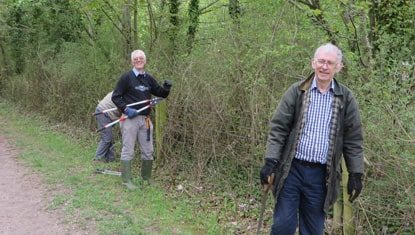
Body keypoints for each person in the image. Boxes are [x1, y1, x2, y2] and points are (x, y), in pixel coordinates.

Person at [260, 43, 364, 235]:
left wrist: (356, 173)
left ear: (338, 67)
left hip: (321, 176)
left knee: (313, 230)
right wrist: (271, 161)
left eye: (330, 63)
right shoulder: (297, 91)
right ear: (313, 63)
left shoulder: (345, 98)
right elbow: (278, 129)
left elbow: (353, 140)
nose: (324, 67)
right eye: (321, 61)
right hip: (291, 170)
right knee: (283, 225)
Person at [112, 49, 172, 190]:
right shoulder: (126, 77)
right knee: (128, 149)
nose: (138, 60)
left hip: (145, 120)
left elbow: (160, 93)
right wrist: (126, 109)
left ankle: (147, 177)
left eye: (141, 58)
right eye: (136, 59)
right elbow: (116, 96)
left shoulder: (148, 78)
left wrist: (167, 88)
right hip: (129, 119)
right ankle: (126, 181)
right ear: (132, 61)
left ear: (145, 61)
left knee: (148, 150)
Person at [94, 91, 121, 163]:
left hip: (109, 114)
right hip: (103, 112)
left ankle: (110, 159)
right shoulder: (122, 93)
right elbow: (122, 109)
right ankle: (97, 158)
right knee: (107, 138)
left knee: (110, 137)